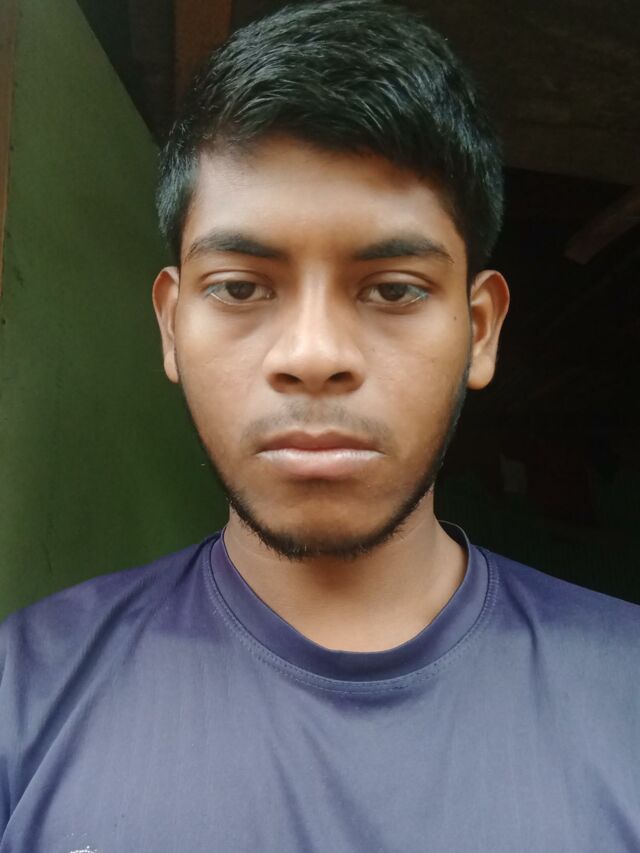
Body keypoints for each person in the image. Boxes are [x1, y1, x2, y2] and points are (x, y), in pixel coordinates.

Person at [1, 0, 638, 849]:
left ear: (480, 330)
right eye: (239, 286)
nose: (313, 355)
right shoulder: (23, 696)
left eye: (394, 289)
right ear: (171, 327)